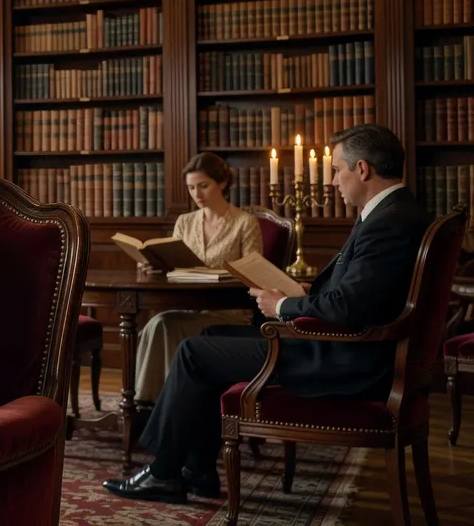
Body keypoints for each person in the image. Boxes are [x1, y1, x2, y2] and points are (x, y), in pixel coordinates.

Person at [103, 123, 431, 503]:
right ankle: (197, 469)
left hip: (343, 360)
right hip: (344, 349)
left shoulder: (387, 223)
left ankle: (163, 472)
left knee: (194, 353)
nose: (335, 181)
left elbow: (348, 307)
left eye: (338, 170)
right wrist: (308, 292)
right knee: (208, 340)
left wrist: (283, 305)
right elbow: (361, 294)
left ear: (362, 169)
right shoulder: (397, 213)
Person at [133, 153, 262, 404]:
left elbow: (253, 276)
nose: (197, 194)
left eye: (203, 186)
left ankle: (157, 403)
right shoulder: (185, 221)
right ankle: (151, 404)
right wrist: (158, 266)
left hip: (229, 311)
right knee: (155, 324)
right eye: (191, 188)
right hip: (188, 306)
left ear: (222, 183)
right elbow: (175, 266)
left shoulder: (245, 223)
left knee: (163, 324)